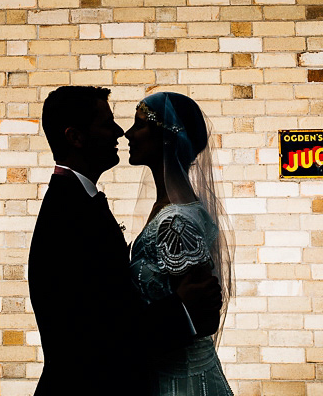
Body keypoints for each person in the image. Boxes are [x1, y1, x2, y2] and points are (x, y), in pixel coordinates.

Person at [28, 86, 223, 396]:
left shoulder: (85, 203)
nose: (121, 132)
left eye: (137, 123)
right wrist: (181, 308)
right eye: (107, 123)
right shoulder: (69, 214)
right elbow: (93, 334)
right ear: (76, 138)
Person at [125, 91, 235, 395]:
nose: (128, 133)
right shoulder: (170, 207)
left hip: (180, 379)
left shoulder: (176, 220)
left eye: (139, 124)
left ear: (167, 137)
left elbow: (202, 317)